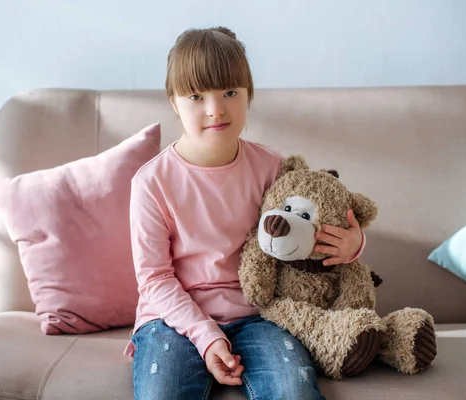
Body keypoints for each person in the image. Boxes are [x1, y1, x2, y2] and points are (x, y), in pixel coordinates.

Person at [123, 26, 365, 400]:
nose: (215, 109)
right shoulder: (151, 183)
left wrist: (352, 244)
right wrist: (206, 337)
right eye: (196, 96)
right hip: (171, 321)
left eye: (230, 93)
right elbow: (154, 279)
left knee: (294, 392)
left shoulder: (271, 165)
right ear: (174, 101)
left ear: (249, 93)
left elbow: (310, 225)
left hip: (260, 314)